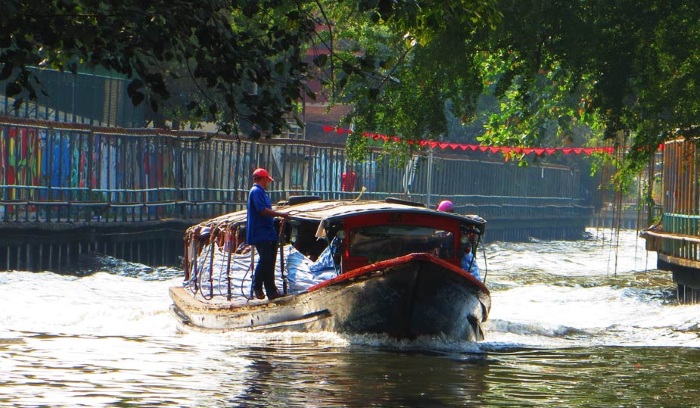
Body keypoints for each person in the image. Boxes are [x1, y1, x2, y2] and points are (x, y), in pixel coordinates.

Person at [246, 168, 289, 300]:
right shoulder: (256, 192)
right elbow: (262, 210)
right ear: (263, 179)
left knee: (270, 261)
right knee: (265, 259)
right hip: (260, 231)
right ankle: (257, 286)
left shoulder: (263, 193)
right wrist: (280, 214)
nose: (268, 183)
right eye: (267, 180)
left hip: (267, 230)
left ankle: (271, 291)